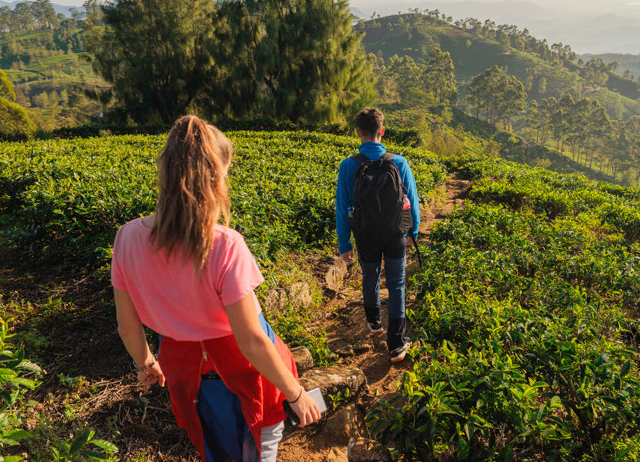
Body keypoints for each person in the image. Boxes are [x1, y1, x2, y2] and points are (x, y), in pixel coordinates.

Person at [111, 115, 321, 462]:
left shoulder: (127, 238)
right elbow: (252, 342)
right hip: (242, 376)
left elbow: (126, 325)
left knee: (214, 448)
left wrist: (145, 362)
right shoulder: (224, 245)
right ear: (214, 178)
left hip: (185, 374)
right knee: (258, 447)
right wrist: (296, 394)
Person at [335, 107, 420, 363]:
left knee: (370, 275)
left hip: (365, 235)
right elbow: (412, 202)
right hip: (395, 234)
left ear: (358, 133)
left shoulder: (349, 165)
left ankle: (374, 322)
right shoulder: (399, 162)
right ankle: (396, 345)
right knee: (396, 284)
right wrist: (411, 232)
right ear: (382, 131)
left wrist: (344, 244)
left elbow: (341, 208)